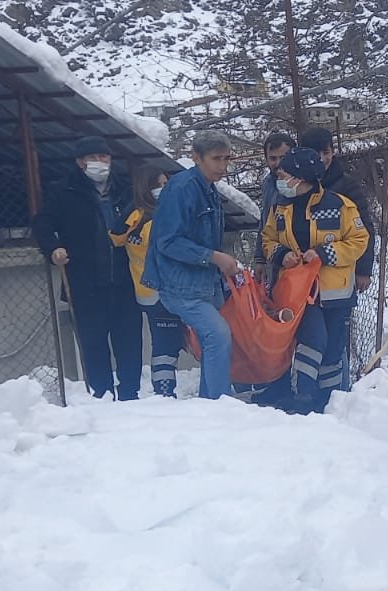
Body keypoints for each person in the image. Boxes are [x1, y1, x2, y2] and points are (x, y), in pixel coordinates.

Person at [33, 135, 142, 401]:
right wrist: (53, 249)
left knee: (128, 339)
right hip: (85, 280)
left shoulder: (125, 189)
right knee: (93, 342)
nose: (100, 162)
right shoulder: (64, 190)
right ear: (80, 162)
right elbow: (42, 225)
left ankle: (130, 393)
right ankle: (101, 393)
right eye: (93, 158)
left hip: (124, 278)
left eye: (104, 157)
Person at [262, 147, 369, 413]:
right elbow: (267, 238)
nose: (280, 179)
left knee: (332, 350)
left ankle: (329, 402)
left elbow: (359, 240)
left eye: (284, 174)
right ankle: (304, 397)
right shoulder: (279, 208)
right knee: (313, 340)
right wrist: (281, 254)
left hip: (335, 293)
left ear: (300, 177)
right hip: (298, 293)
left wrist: (324, 253)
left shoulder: (340, 205)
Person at [141, 130, 241, 400]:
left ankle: (211, 402)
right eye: (216, 159)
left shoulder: (207, 188)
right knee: (218, 334)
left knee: (215, 339)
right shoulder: (182, 189)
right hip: (179, 284)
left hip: (202, 282)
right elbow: (167, 242)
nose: (222, 166)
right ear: (196, 158)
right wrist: (214, 257)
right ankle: (219, 402)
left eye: (226, 159)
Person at [111, 164, 183, 398]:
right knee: (166, 346)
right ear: (145, 188)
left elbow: (116, 235)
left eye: (165, 185)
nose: (162, 189)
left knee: (165, 343)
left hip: (147, 290)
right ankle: (165, 393)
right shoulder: (154, 218)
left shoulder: (134, 216)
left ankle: (165, 392)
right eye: (157, 185)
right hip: (162, 290)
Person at [298, 126, 376, 294]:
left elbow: (365, 227)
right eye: (315, 153)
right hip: (301, 276)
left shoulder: (346, 185)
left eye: (326, 152)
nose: (322, 158)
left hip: (339, 274)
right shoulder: (295, 186)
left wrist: (363, 270)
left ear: (333, 152)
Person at [254, 132, 297, 281]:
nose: (278, 163)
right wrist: (260, 259)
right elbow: (264, 221)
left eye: (283, 157)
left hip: (296, 261)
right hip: (274, 259)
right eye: (273, 158)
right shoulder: (268, 183)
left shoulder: (303, 184)